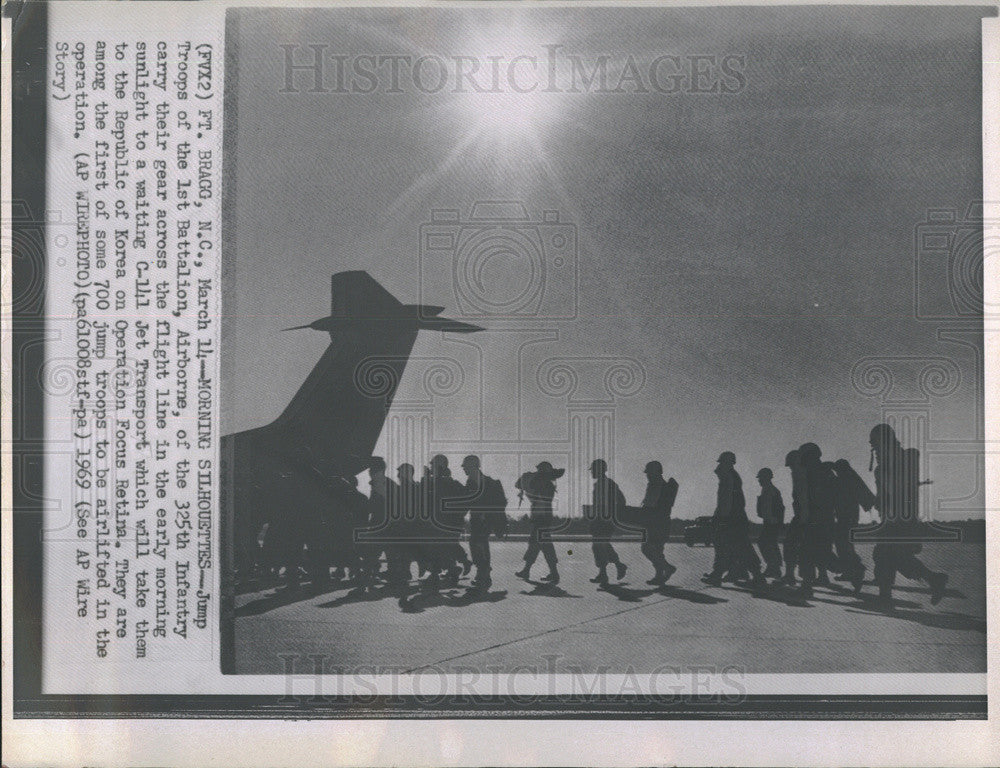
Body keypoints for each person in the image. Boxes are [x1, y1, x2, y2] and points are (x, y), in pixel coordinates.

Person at [867, 423, 948, 609]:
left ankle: (887, 597)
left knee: (887, 555)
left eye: (877, 445)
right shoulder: (884, 468)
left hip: (902, 520)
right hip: (892, 519)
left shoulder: (904, 458)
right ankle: (933, 579)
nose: (875, 451)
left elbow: (901, 486)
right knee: (889, 556)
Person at [702, 452, 764, 588]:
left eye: (721, 463)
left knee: (727, 546)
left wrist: (721, 518)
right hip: (735, 518)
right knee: (738, 547)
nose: (718, 466)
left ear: (728, 464)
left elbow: (726, 501)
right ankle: (738, 573)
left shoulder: (728, 477)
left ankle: (718, 575)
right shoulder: (731, 476)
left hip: (730, 519)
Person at [797, 443, 841, 597]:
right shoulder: (821, 472)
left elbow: (818, 497)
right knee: (821, 551)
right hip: (823, 518)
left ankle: (807, 585)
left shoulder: (818, 473)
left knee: (807, 551)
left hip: (818, 518)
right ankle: (823, 576)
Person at [461, 455, 509, 590]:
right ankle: (484, 574)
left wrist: (484, 513)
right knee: (481, 544)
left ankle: (483, 572)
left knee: (476, 543)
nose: (463, 468)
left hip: (484, 519)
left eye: (465, 466)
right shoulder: (473, 480)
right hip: (479, 519)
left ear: (472, 466)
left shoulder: (482, 481)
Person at [422, 454, 471, 586]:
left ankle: (442, 572)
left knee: (437, 547)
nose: (431, 467)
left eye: (433, 465)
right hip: (447, 523)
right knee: (445, 547)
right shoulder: (450, 482)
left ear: (439, 466)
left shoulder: (440, 482)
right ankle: (454, 569)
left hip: (442, 523)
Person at [514, 461, 563, 584]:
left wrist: (527, 480)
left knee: (542, 544)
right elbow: (519, 484)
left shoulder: (544, 484)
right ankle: (530, 570)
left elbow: (522, 484)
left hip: (542, 518)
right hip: (542, 518)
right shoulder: (546, 482)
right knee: (538, 544)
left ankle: (552, 573)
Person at [367, 456, 407, 590]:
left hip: (385, 525)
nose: (370, 472)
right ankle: (392, 575)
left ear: (379, 470)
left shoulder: (383, 485)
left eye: (372, 469)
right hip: (384, 524)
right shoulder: (386, 484)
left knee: (381, 552)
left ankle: (394, 576)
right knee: (385, 552)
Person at [832, 457, 870, 593]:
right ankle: (853, 572)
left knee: (843, 545)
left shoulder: (842, 481)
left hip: (845, 519)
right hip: (851, 519)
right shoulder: (851, 480)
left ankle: (856, 571)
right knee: (846, 545)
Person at [588, 459, 628, 585]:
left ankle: (605, 574)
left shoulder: (610, 484)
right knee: (601, 545)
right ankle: (615, 567)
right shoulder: (598, 485)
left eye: (593, 470)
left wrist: (611, 512)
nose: (592, 472)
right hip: (598, 519)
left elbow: (621, 500)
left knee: (599, 545)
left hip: (606, 520)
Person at [638, 461, 678, 585]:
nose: (647, 475)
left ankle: (667, 568)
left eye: (649, 472)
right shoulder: (664, 485)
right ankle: (659, 576)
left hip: (655, 523)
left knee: (647, 548)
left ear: (655, 472)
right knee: (658, 550)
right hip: (663, 522)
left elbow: (649, 504)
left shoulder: (655, 485)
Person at [754, 468, 785, 579]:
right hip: (770, 521)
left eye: (761, 478)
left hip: (771, 522)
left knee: (764, 543)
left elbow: (776, 507)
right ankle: (774, 568)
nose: (759, 480)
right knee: (770, 544)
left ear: (766, 478)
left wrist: (773, 520)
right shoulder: (768, 489)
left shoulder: (770, 490)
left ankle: (774, 568)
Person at [781, 450, 804, 586]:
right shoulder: (801, 474)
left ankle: (790, 575)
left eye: (791, 466)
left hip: (803, 515)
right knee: (817, 547)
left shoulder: (800, 475)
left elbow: (803, 498)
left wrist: (803, 516)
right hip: (803, 515)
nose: (790, 469)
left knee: (790, 544)